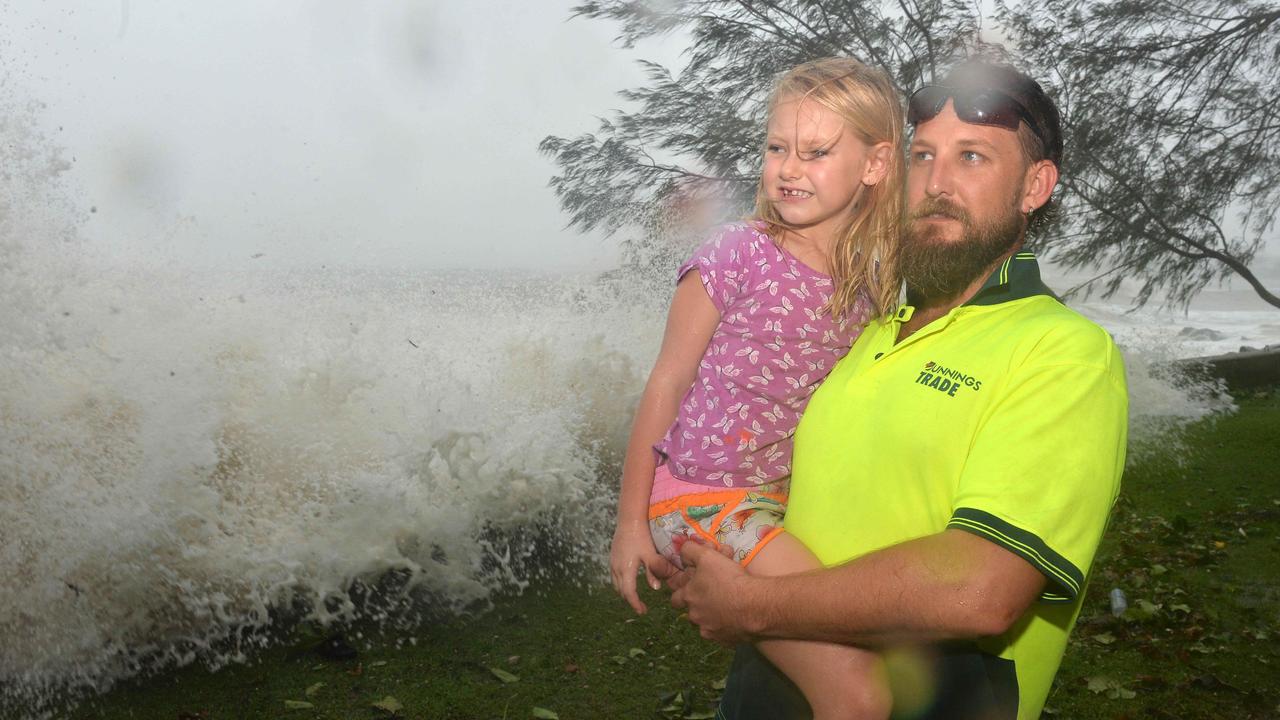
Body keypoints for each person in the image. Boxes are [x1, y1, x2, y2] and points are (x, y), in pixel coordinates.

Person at [670, 61, 1129, 720]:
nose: (937, 183)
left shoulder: (1064, 355)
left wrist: (748, 606)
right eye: (922, 156)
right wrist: (697, 531)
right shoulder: (869, 326)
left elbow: (980, 588)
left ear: (1035, 185)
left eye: (972, 157)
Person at [609, 58, 905, 719]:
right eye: (777, 148)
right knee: (859, 695)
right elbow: (668, 378)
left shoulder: (873, 284)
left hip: (778, 503)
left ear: (875, 165)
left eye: (816, 151)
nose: (789, 168)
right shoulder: (736, 251)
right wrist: (631, 522)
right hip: (706, 498)